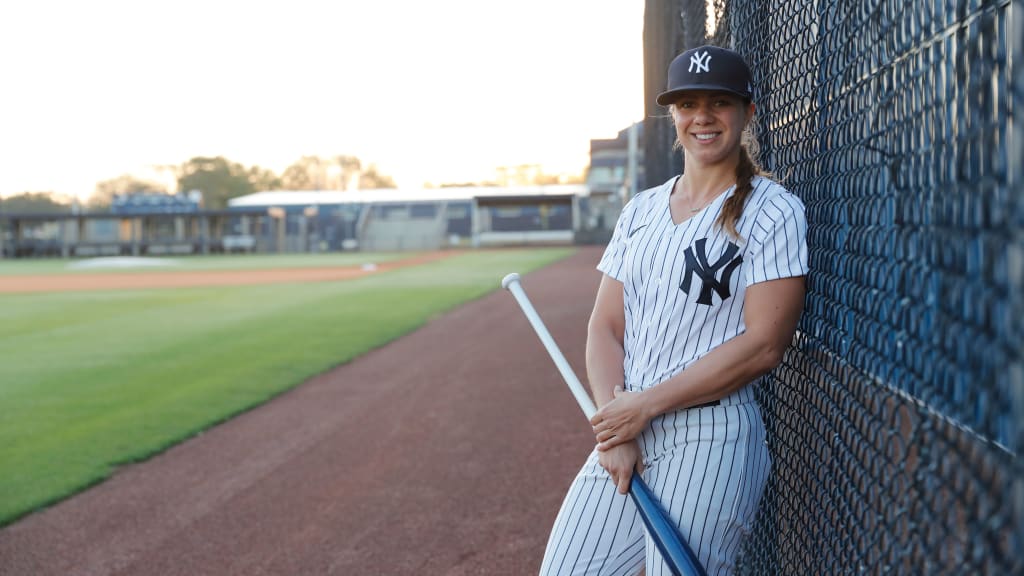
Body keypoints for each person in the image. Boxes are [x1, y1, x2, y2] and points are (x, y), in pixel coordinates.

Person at [538, 45, 808, 576]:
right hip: (632, 429)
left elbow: (764, 344)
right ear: (673, 116)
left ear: (747, 112)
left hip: (710, 437)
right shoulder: (640, 209)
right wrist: (617, 428)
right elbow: (605, 326)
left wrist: (644, 407)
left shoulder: (774, 210)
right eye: (687, 104)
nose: (702, 117)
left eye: (718, 103)